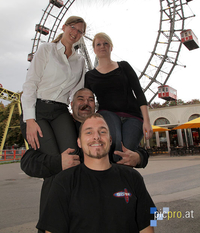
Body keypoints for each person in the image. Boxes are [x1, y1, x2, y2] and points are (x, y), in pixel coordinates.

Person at [21, 89, 149, 233]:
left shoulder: (106, 129)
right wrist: (58, 162)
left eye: (90, 100)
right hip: (65, 217)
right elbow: (27, 161)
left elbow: (149, 219)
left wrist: (139, 157)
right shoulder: (57, 129)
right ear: (71, 104)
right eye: (80, 99)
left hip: (111, 211)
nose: (86, 103)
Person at [20, 16, 86, 156]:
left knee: (71, 154)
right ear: (64, 27)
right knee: (52, 157)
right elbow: (31, 83)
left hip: (61, 111)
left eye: (80, 31)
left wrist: (79, 117)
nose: (75, 32)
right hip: (39, 109)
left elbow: (77, 93)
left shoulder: (80, 61)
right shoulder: (46, 49)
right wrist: (30, 120)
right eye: (72, 27)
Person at [85, 32, 153, 161]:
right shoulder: (90, 76)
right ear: (94, 49)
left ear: (111, 47)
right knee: (115, 149)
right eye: (98, 44)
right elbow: (88, 101)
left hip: (133, 116)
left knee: (127, 153)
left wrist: (147, 121)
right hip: (107, 113)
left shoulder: (124, 66)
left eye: (106, 43)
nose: (102, 46)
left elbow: (139, 92)